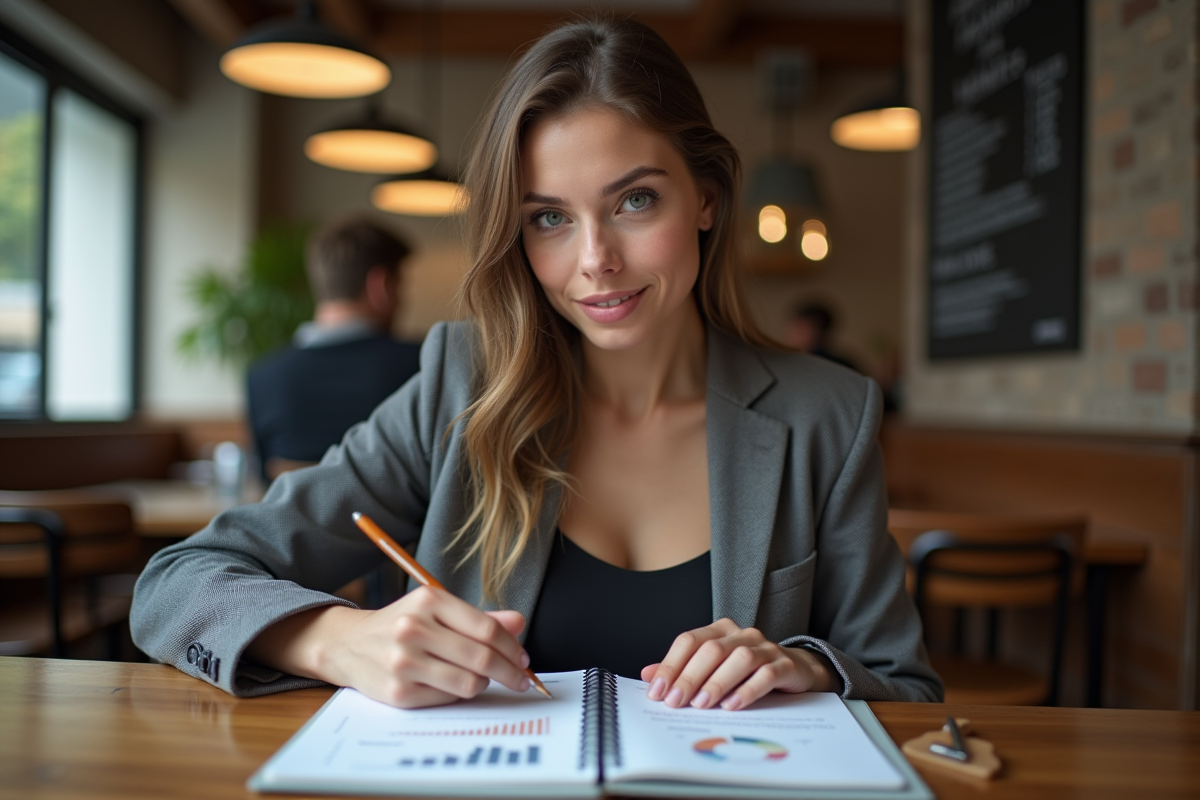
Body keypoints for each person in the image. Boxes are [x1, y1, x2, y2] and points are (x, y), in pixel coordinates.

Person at [132, 19, 940, 711]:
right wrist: (339, 641)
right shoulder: (462, 383)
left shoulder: (828, 414)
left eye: (634, 201)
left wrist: (807, 666)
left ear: (706, 198)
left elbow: (905, 686)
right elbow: (177, 582)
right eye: (550, 218)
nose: (595, 261)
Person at [245, 218, 421, 482]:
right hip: (391, 524)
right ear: (381, 285)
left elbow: (264, 483)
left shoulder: (262, 376)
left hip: (296, 524)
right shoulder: (420, 362)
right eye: (400, 285)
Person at [784, 300, 860, 373]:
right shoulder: (791, 360)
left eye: (801, 329)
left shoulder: (832, 364)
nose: (793, 334)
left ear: (818, 331)